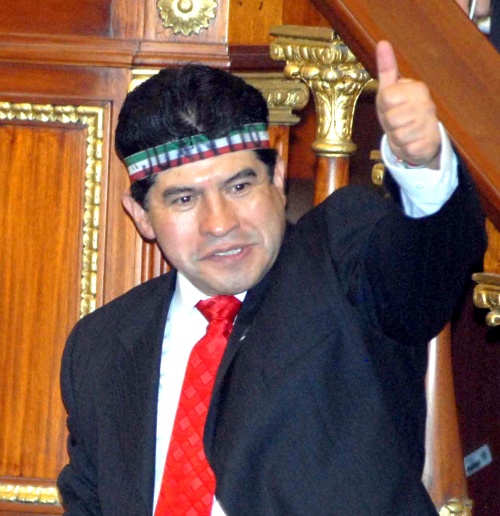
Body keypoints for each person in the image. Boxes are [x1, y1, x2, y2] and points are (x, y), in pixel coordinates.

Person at [57, 41, 486, 515]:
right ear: (140, 214)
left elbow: (424, 267)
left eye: (239, 186)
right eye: (184, 199)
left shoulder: (339, 259)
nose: (220, 223)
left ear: (277, 177)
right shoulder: (99, 346)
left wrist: (424, 165)